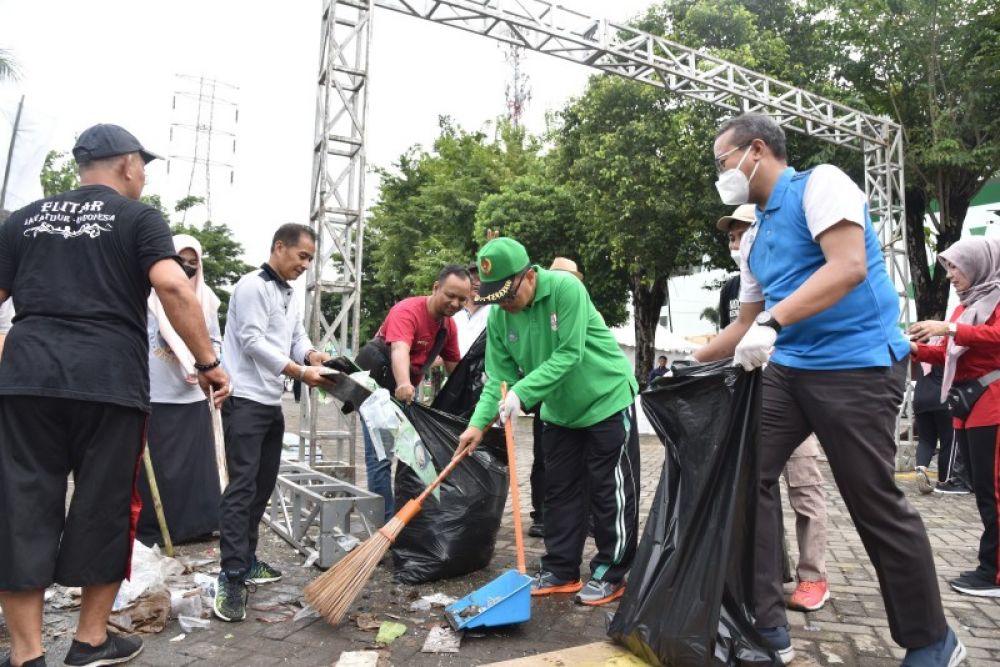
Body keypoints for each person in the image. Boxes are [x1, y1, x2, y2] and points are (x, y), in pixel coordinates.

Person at [694, 113, 960, 665]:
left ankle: (933, 639)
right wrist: (685, 364)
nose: (721, 174)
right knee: (746, 474)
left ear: (756, 151)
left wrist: (775, 322)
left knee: (870, 497)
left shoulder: (821, 184)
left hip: (857, 364)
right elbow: (744, 324)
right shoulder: (755, 236)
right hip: (791, 369)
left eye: (723, 163)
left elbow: (848, 268)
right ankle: (766, 624)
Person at [0, 123, 230, 667]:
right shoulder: (138, 218)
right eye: (143, 166)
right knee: (105, 505)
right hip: (108, 382)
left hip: (28, 379)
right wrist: (209, 363)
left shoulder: (23, 219)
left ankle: (27, 654)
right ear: (127, 164)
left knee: (19, 506)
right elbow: (174, 286)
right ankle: (89, 642)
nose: (144, 176)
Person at [456, 238, 639, 607]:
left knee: (609, 491)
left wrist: (521, 393)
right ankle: (561, 569)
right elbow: (498, 377)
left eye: (509, 295)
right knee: (560, 493)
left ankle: (612, 571)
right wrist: (478, 424)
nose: (506, 305)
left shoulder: (566, 289)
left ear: (528, 277)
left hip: (605, 400)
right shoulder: (499, 316)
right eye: (498, 298)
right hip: (558, 412)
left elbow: (569, 353)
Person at [215, 223, 333, 623]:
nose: (305, 265)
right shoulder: (251, 286)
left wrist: (313, 355)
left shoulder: (289, 293)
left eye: (310, 260)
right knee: (242, 487)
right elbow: (251, 341)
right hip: (244, 399)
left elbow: (294, 336)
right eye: (302, 256)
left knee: (262, 487)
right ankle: (231, 575)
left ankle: (246, 560)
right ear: (279, 247)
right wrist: (299, 372)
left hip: (270, 403)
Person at [715, 204, 831, 612]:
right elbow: (730, 335)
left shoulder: (791, 277)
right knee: (752, 485)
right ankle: (760, 572)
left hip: (792, 391)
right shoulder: (735, 288)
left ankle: (813, 576)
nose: (736, 242)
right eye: (731, 236)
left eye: (743, 232)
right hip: (751, 397)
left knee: (803, 486)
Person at [909, 237, 1000, 597]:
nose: (950, 276)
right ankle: (989, 566)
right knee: (982, 489)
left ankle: (994, 574)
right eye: (948, 268)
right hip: (968, 404)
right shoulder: (967, 306)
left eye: (956, 267)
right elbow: (947, 354)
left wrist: (946, 329)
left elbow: (994, 336)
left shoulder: (994, 298)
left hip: (991, 401)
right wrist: (915, 348)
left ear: (979, 264)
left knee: (993, 491)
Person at [354, 265, 470, 523]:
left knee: (412, 456)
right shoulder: (407, 311)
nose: (455, 303)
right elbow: (399, 350)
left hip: (404, 393)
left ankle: (406, 519)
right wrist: (405, 383)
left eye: (462, 299)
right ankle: (383, 527)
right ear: (435, 288)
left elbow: (456, 368)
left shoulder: (448, 327)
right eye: (450, 295)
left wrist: (475, 401)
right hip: (376, 391)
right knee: (381, 459)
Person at [137, 234, 223, 546]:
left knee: (191, 467)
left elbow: (214, 340)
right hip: (152, 391)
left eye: (192, 262)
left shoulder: (207, 299)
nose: (186, 268)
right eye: (179, 260)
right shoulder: (147, 296)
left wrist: (204, 361)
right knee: (155, 468)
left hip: (191, 393)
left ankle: (193, 527)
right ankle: (152, 529)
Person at [526, 256, 586, 540]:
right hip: (547, 398)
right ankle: (542, 514)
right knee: (545, 459)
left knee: (586, 465)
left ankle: (588, 518)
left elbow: (571, 354)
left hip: (587, 402)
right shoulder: (537, 310)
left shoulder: (577, 304)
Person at [911, 361, 964, 495]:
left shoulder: (926, 349)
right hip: (943, 398)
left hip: (920, 398)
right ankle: (944, 481)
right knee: (949, 441)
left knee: (925, 440)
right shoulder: (947, 350)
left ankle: (921, 469)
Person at [454, 262, 492, 358]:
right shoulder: (453, 311)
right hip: (454, 369)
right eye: (473, 279)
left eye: (483, 280)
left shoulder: (494, 311)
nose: (478, 283)